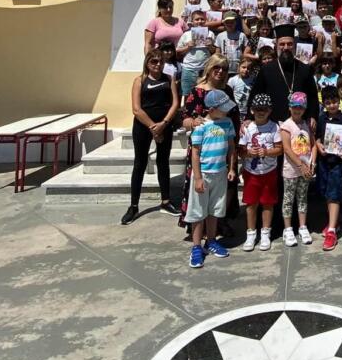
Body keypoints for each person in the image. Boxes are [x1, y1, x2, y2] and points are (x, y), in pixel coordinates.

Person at [121, 51, 181, 225]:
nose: (158, 64)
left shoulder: (169, 79)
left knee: (163, 162)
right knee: (139, 164)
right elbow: (136, 109)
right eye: (154, 61)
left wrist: (164, 123)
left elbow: (175, 103)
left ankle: (166, 201)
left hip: (164, 125)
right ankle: (133, 206)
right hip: (143, 127)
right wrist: (153, 127)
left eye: (161, 61)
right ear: (147, 63)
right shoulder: (139, 81)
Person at [186, 89, 237, 268]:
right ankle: (196, 246)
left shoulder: (228, 123)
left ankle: (212, 240)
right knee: (198, 211)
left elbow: (231, 147)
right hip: (204, 174)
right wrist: (198, 178)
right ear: (212, 109)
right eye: (223, 108)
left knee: (214, 210)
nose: (227, 110)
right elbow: (195, 153)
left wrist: (231, 168)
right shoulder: (201, 126)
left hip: (220, 173)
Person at [239, 93, 282, 252]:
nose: (261, 112)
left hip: (269, 172)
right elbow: (241, 150)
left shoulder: (274, 127)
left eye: (264, 109)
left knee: (268, 203)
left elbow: (280, 149)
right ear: (252, 110)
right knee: (251, 204)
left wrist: (267, 152)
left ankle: (265, 233)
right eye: (257, 109)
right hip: (251, 172)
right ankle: (251, 233)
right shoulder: (247, 128)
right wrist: (248, 152)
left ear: (269, 110)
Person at [250, 26, 320, 123]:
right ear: (276, 46)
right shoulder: (266, 69)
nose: (286, 48)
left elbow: (312, 97)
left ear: (295, 45)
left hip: (300, 122)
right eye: (282, 44)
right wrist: (249, 118)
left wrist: (312, 116)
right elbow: (255, 94)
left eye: (290, 44)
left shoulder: (304, 69)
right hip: (272, 123)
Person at [315, 87, 342, 251]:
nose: (332, 105)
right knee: (326, 191)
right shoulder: (321, 119)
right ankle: (335, 221)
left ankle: (331, 231)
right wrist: (319, 146)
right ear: (324, 104)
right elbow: (317, 138)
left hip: (339, 162)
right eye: (328, 103)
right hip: (324, 161)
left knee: (334, 193)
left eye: (334, 102)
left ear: (339, 101)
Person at [280, 92, 315, 247]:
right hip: (291, 170)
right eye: (294, 107)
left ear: (304, 109)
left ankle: (302, 226)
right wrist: (300, 165)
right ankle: (288, 229)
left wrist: (312, 163)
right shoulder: (286, 126)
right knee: (288, 199)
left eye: (300, 107)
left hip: (306, 170)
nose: (297, 110)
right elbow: (287, 149)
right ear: (290, 107)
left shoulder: (307, 124)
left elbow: (313, 145)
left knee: (302, 198)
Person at [176, 10, 215, 96]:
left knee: (204, 94)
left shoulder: (210, 34)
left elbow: (214, 52)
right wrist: (188, 47)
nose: (199, 21)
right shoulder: (186, 34)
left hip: (204, 69)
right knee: (187, 94)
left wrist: (210, 46)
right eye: (197, 19)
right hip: (188, 69)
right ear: (192, 21)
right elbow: (177, 51)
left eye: (202, 19)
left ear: (205, 20)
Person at [215, 10, 249, 75]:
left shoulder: (242, 35)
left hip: (238, 69)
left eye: (232, 22)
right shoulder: (220, 36)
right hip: (224, 69)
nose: (229, 24)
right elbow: (217, 53)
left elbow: (245, 52)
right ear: (224, 23)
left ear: (236, 22)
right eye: (227, 22)